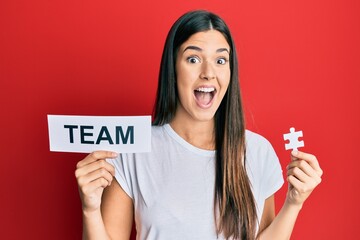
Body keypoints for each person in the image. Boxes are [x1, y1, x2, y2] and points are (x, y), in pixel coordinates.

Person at [75, 10, 323, 240]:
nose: (208, 72)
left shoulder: (258, 152)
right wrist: (90, 209)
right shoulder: (132, 149)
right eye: (193, 59)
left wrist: (294, 202)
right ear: (173, 67)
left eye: (221, 60)